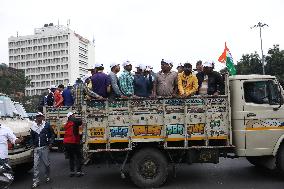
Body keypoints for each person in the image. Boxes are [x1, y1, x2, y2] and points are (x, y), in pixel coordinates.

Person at [30, 112, 55, 188]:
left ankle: (47, 176)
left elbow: (53, 134)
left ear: (43, 117)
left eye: (40, 116)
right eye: (38, 117)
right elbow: (32, 137)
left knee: (46, 164)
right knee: (35, 166)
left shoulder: (46, 125)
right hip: (37, 148)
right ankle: (36, 181)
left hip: (45, 148)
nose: (39, 118)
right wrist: (33, 144)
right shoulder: (33, 127)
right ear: (36, 118)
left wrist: (51, 142)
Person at [63, 112, 84, 177]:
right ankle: (78, 172)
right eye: (73, 115)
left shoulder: (67, 124)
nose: (74, 116)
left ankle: (72, 172)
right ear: (71, 116)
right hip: (73, 142)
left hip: (66, 143)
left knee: (71, 157)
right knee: (78, 156)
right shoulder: (74, 122)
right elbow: (81, 121)